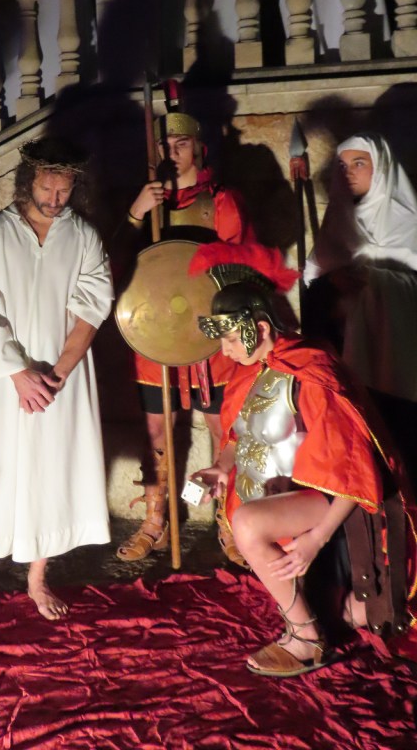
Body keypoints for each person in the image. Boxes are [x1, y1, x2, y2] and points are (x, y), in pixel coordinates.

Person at [191, 241, 415, 677]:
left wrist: (317, 538)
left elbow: (355, 467)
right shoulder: (252, 372)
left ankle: (306, 638)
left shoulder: (309, 371)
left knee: (249, 523)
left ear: (259, 326)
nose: (226, 351)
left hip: (329, 498)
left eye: (232, 338)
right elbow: (240, 433)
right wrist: (222, 467)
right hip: (283, 492)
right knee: (247, 520)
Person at [0, 137, 113, 650]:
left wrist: (57, 375)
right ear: (27, 181)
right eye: (46, 188)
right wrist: (18, 373)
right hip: (5, 380)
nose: (54, 200)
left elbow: (93, 308)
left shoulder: (83, 236)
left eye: (64, 191)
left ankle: (37, 580)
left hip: (62, 379)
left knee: (48, 471)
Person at [115, 108, 251, 563]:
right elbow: (112, 265)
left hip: (212, 336)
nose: (173, 153)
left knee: (221, 428)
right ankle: (156, 521)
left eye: (182, 144)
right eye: (165, 146)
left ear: (199, 148)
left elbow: (243, 267)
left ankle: (229, 521)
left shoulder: (221, 200)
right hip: (156, 335)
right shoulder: (146, 203)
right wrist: (136, 213)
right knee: (156, 430)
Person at [304, 133, 417, 480]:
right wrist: (332, 283)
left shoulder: (409, 223)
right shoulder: (337, 222)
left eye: (359, 163)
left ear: (380, 166)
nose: (349, 172)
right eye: (342, 166)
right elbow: (312, 291)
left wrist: (373, 281)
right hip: (344, 353)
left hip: (398, 359)